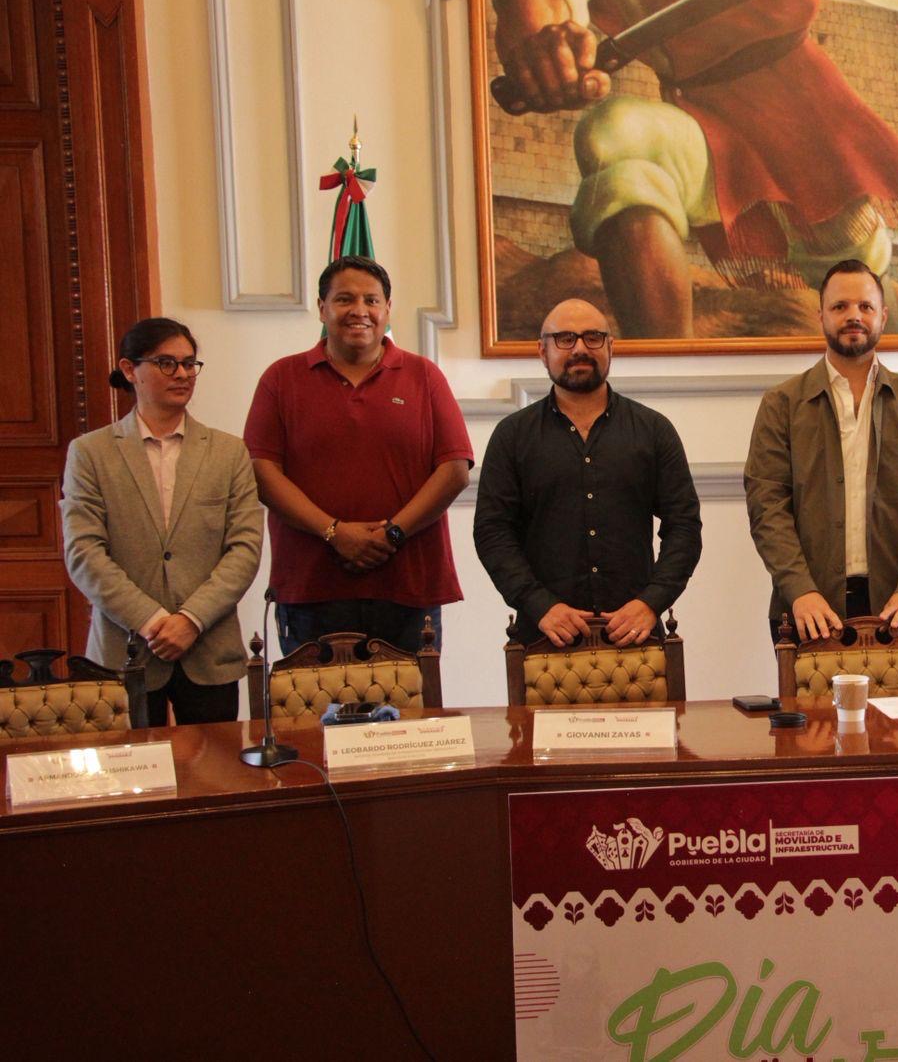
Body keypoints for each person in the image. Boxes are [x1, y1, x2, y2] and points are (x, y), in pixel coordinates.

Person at [490, 0, 898, 336]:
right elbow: (541, 9)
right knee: (615, 132)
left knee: (852, 259)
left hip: (802, 121)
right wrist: (544, 47)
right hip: (705, 129)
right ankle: (668, 386)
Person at [243, 257, 472, 655]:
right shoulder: (281, 379)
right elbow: (261, 471)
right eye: (344, 299)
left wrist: (392, 534)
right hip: (311, 589)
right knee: (316, 699)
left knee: (413, 698)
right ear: (322, 308)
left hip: (409, 589)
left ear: (387, 308)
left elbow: (454, 470)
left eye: (371, 300)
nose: (359, 310)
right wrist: (334, 532)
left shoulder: (424, 376)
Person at [61, 318, 262, 725]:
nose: (183, 374)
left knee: (216, 765)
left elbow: (245, 549)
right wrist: (152, 622)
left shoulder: (228, 452)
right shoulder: (90, 453)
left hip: (209, 650)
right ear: (129, 369)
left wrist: (191, 620)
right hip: (126, 650)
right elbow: (84, 553)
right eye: (166, 363)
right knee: (131, 767)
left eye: (189, 364)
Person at [744, 258, 898, 641]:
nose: (853, 316)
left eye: (865, 306)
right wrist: (800, 590)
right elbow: (767, 507)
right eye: (840, 306)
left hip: (894, 608)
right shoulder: (782, 404)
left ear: (883, 316)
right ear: (821, 316)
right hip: (805, 611)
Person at [474, 298, 702, 646]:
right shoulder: (512, 436)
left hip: (635, 635)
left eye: (593, 337)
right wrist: (539, 605)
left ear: (611, 347)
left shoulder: (653, 430)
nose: (580, 348)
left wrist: (651, 602)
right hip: (544, 637)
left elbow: (683, 526)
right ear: (542, 351)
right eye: (565, 338)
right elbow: (492, 532)